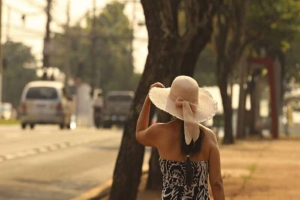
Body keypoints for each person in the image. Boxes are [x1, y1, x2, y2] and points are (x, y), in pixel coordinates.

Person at [136, 75, 225, 200]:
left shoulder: (160, 132)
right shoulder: (208, 137)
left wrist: (148, 100)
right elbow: (217, 184)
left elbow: (139, 132)